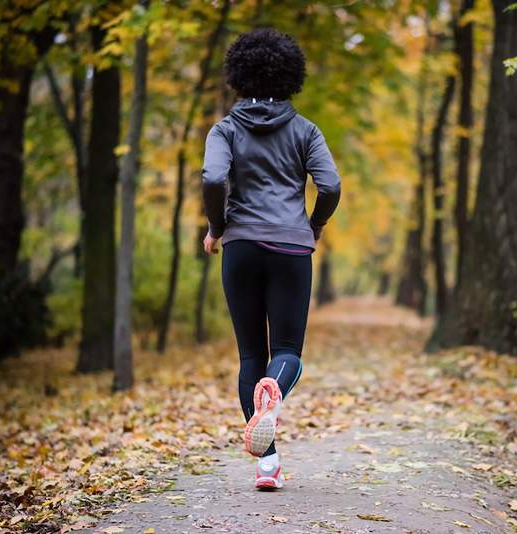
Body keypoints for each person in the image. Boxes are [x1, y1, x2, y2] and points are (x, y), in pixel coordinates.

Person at [201, 27, 341, 490]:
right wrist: (314, 224)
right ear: (290, 77)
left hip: (240, 247)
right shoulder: (306, 131)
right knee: (286, 352)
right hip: (290, 248)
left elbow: (212, 178)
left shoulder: (224, 129)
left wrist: (217, 228)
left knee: (249, 355)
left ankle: (267, 467)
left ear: (238, 76)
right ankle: (275, 393)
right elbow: (332, 185)